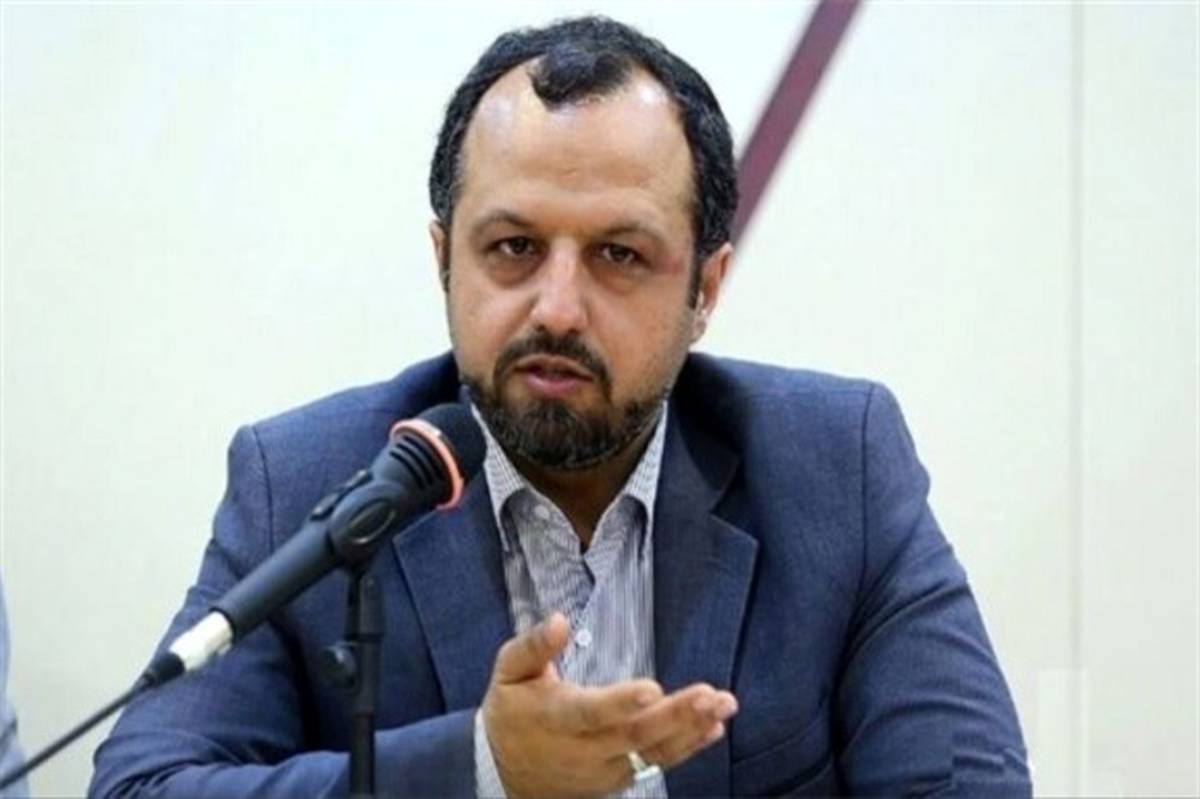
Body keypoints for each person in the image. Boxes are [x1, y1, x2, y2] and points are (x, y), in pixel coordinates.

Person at [90, 15, 1030, 798]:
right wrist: (480, 769)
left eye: (620, 255)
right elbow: (142, 785)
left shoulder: (836, 469)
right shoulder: (306, 480)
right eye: (513, 248)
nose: (557, 308)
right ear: (444, 260)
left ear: (705, 287)